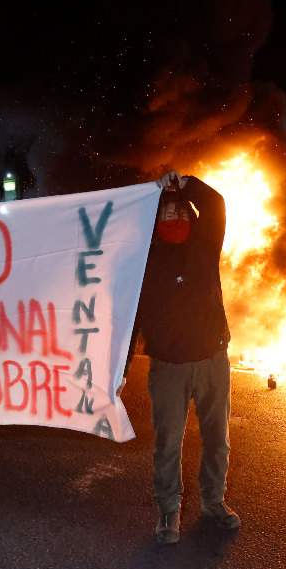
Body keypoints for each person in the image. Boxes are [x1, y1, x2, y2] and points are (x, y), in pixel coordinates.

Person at [121, 170, 238, 544]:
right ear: (155, 221)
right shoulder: (144, 258)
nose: (176, 218)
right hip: (169, 367)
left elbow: (215, 205)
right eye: (167, 213)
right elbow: (129, 318)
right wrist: (120, 368)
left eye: (182, 212)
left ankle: (213, 502)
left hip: (212, 362)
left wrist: (185, 183)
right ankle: (168, 511)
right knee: (168, 443)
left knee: (217, 438)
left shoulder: (206, 244)